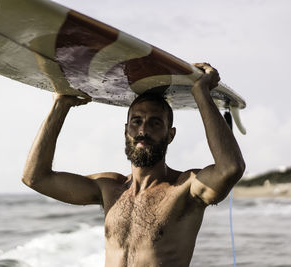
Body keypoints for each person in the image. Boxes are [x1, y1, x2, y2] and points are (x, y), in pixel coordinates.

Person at [22, 63, 245, 267]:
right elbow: (35, 177)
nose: (143, 131)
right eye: (136, 122)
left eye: (155, 123)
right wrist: (61, 105)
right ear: (126, 129)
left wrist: (201, 94)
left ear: (170, 135)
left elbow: (230, 168)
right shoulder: (109, 188)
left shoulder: (185, 188)